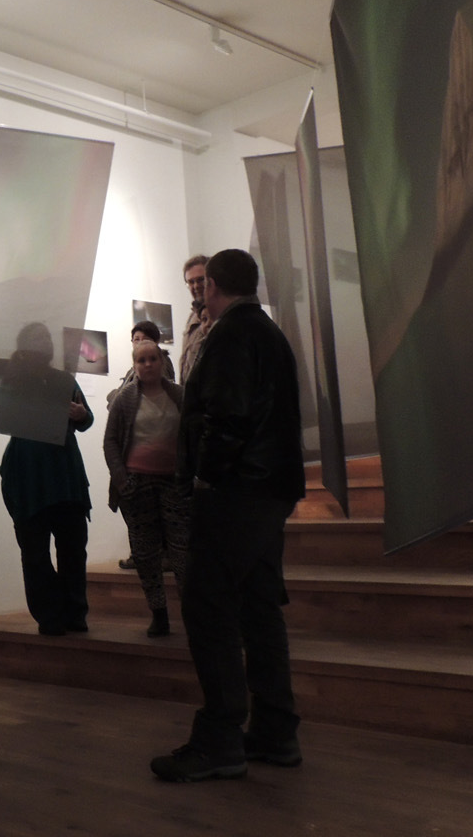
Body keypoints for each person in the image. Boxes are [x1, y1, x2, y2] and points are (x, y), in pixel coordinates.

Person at [151, 249, 306, 783]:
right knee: (259, 607)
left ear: (213, 285)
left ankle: (220, 737)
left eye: (203, 285)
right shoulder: (268, 333)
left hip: (238, 491)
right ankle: (275, 731)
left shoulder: (231, 335)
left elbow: (227, 418)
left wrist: (206, 476)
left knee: (207, 605)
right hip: (269, 489)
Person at [0, 322, 94, 636]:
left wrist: (81, 415)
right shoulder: (13, 381)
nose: (46, 342)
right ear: (25, 346)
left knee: (73, 547)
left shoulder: (63, 379)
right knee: (35, 552)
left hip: (63, 472)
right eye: (38, 338)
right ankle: (50, 615)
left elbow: (86, 418)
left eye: (47, 337)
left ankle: (75, 612)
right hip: (29, 474)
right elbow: (0, 420)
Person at [103, 340, 188, 637]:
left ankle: (192, 614)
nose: (148, 364)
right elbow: (110, 441)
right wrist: (121, 479)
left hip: (174, 483)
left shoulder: (178, 395)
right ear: (134, 365)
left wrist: (190, 473)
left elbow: (194, 435)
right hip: (137, 486)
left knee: (183, 553)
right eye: (142, 360)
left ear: (162, 362)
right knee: (145, 553)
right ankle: (159, 614)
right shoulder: (125, 399)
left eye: (153, 358)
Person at [108, 320, 175, 572]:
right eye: (135, 339)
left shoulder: (163, 367)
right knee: (135, 511)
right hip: (132, 455)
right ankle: (141, 555)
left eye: (144, 338)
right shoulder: (131, 371)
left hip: (158, 456)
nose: (139, 343)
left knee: (159, 513)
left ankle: (159, 555)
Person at [178, 255, 209, 380]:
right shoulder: (193, 316)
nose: (196, 286)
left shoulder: (220, 316)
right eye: (191, 282)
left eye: (201, 280)